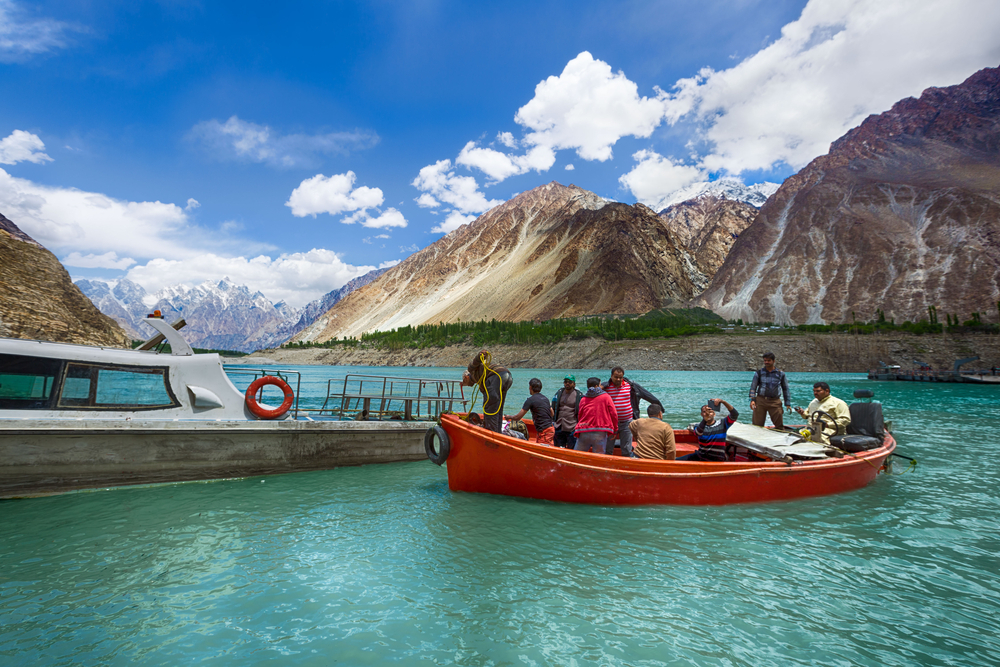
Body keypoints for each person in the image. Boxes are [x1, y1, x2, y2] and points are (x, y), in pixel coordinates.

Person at [602, 366, 662, 457]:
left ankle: (626, 468)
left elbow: (647, 394)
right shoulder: (605, 387)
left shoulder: (631, 386)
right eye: (616, 377)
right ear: (611, 376)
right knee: (608, 448)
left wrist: (659, 406)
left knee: (627, 449)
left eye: (620, 377)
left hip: (627, 422)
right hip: (610, 423)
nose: (618, 379)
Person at [461, 349, 513, 433]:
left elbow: (473, 363)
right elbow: (485, 393)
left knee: (490, 407)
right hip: (507, 376)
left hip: (496, 376)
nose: (465, 384)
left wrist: (479, 355)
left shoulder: (472, 370)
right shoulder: (481, 381)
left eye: (464, 381)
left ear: (466, 377)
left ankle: (491, 433)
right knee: (498, 407)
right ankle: (497, 432)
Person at [573, 377, 618, 455]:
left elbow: (580, 414)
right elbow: (614, 414)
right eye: (600, 384)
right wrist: (615, 429)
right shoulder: (606, 397)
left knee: (577, 455)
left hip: (584, 430)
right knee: (599, 457)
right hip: (600, 431)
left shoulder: (583, 398)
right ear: (597, 386)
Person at [506, 378, 555, 445]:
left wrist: (508, 417)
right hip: (550, 429)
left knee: (542, 451)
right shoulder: (545, 398)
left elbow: (518, 417)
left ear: (530, 387)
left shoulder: (530, 400)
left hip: (544, 431)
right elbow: (552, 413)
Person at [749, 352, 791, 429]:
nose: (766, 362)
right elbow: (753, 387)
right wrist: (752, 400)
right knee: (757, 425)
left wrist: (787, 403)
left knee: (779, 425)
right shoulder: (759, 373)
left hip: (775, 401)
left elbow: (785, 389)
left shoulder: (780, 374)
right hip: (761, 401)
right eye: (765, 360)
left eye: (768, 360)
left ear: (773, 361)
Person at [551, 375, 583, 449]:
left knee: (571, 449)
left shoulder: (579, 395)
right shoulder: (559, 393)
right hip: (559, 425)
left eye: (570, 382)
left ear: (574, 384)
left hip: (572, 427)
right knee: (558, 449)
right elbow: (553, 407)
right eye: (565, 382)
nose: (567, 383)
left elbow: (582, 411)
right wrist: (552, 421)